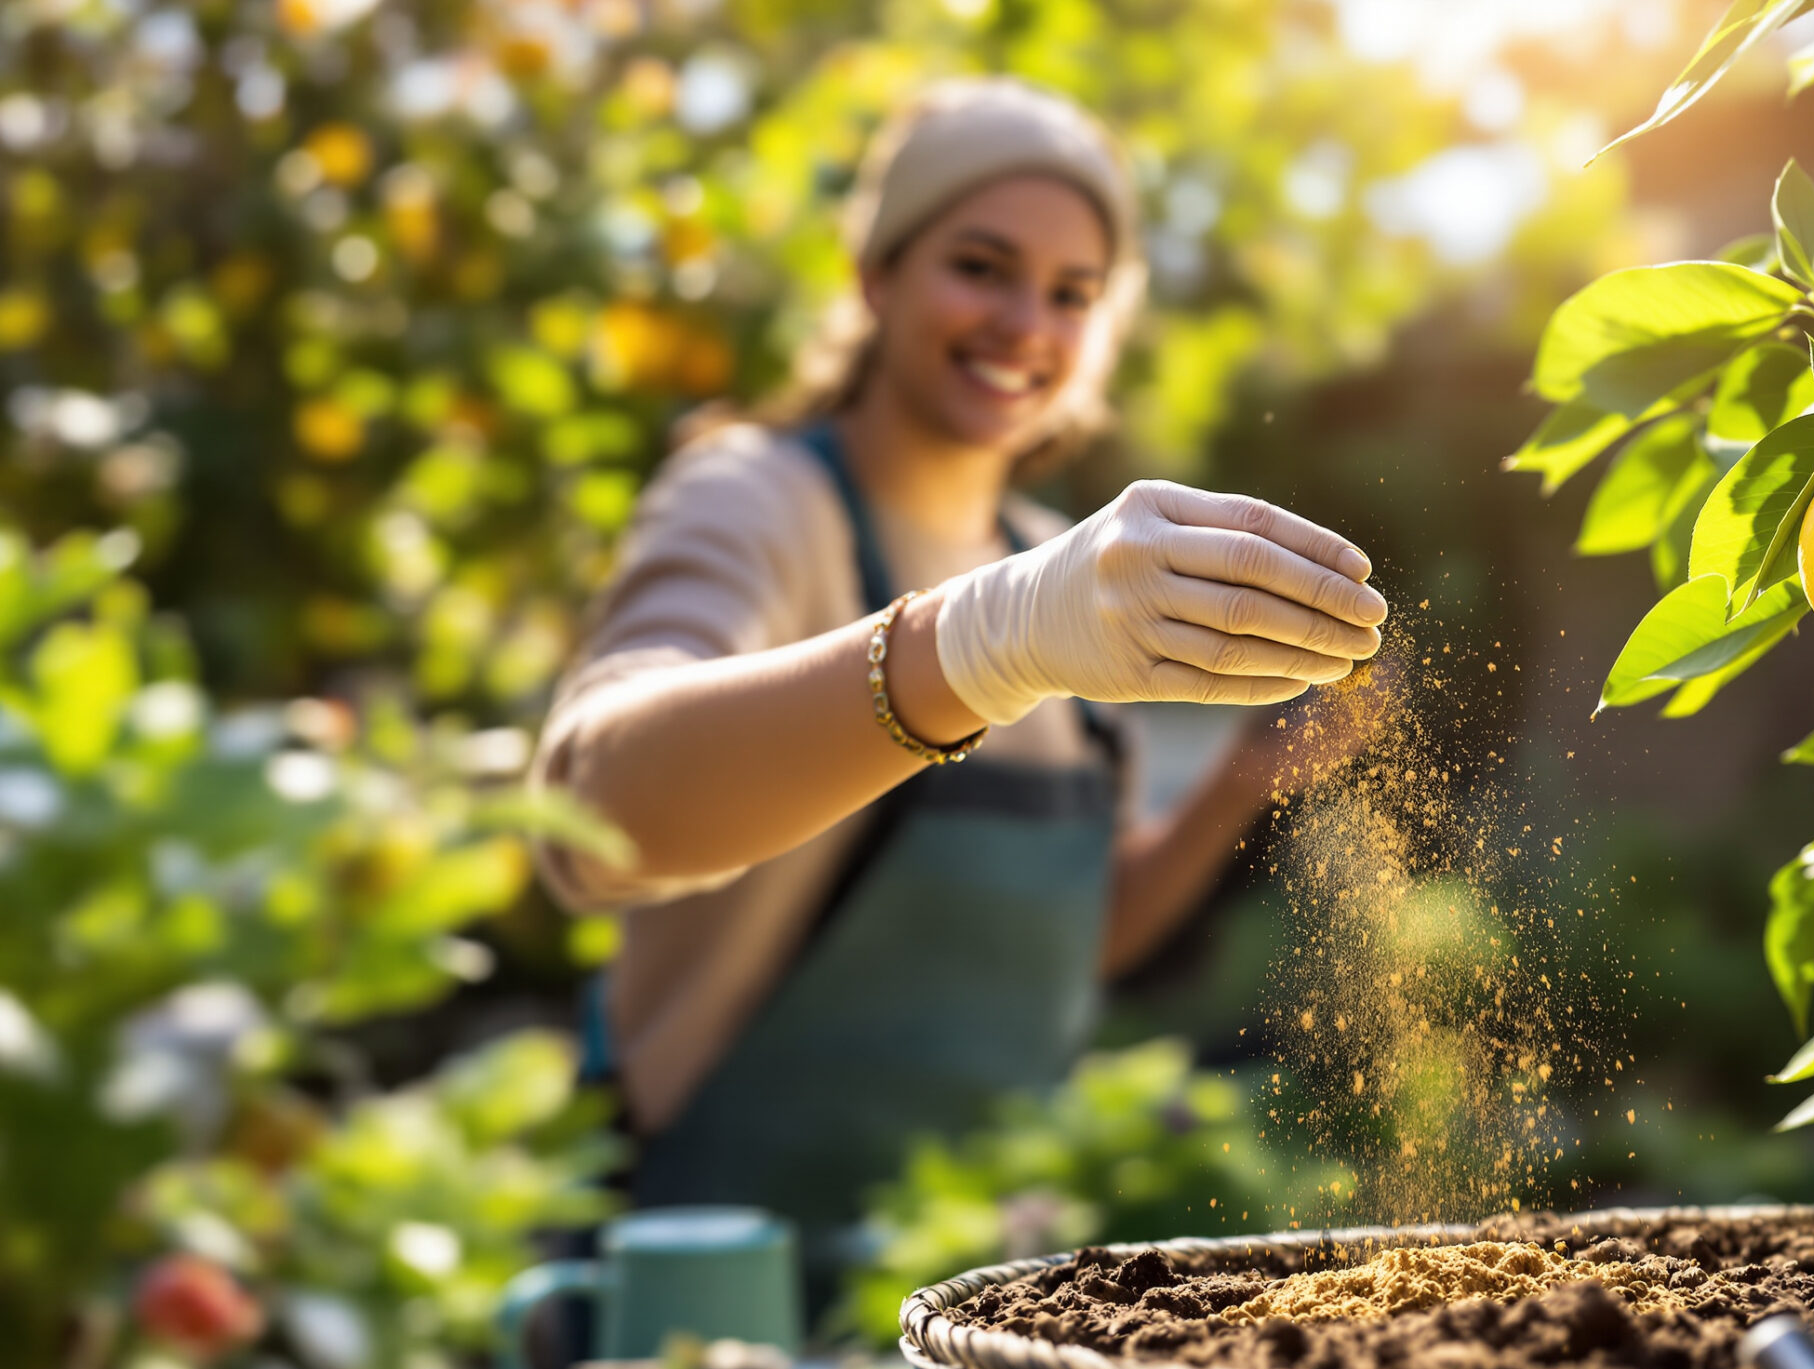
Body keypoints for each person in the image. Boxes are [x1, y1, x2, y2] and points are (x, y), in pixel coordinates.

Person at [528, 77, 1386, 1288]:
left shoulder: (1068, 578)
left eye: (1072, 293)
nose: (1025, 321)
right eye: (980, 266)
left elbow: (1067, 944)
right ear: (875, 276)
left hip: (963, 1294)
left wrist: (1246, 782)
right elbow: (594, 819)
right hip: (713, 1286)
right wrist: (984, 641)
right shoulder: (764, 504)